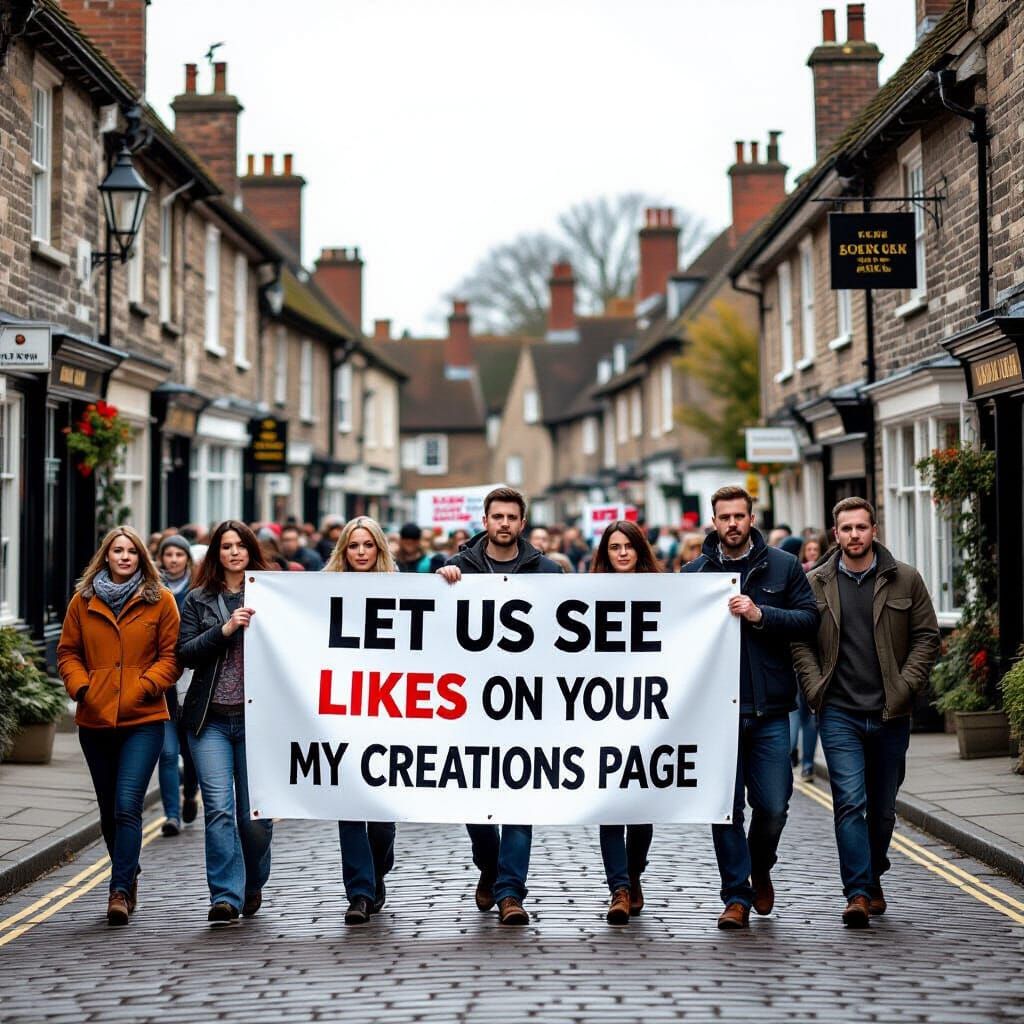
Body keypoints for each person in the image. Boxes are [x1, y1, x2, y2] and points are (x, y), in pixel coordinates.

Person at [792, 497, 939, 927]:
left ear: (874, 529)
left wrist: (907, 685)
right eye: (846, 528)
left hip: (891, 712)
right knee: (850, 803)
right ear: (834, 534)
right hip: (839, 712)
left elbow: (927, 638)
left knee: (884, 809)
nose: (854, 535)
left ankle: (872, 876)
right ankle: (857, 891)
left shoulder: (905, 579)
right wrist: (814, 684)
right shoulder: (816, 582)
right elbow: (801, 640)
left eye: (861, 527)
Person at [682, 486, 818, 929]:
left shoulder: (782, 566)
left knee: (774, 805)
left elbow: (809, 620)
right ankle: (736, 896)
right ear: (713, 520)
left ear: (751, 517)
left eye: (740, 516)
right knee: (723, 808)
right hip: (715, 716)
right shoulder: (694, 572)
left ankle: (760, 865)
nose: (733, 524)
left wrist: (762, 616)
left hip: (770, 709)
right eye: (725, 517)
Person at [437, 486, 560, 925]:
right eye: (497, 517)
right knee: (474, 802)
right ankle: (489, 864)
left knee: (519, 801)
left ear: (522, 523)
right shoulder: (458, 568)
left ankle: (511, 891)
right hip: (469, 709)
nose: (504, 524)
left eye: (512, 517)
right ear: (484, 521)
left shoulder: (548, 572)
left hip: (527, 706)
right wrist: (444, 582)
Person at [57, 526, 181, 926]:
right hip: (94, 719)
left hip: (143, 718)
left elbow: (172, 657)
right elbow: (67, 652)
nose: (124, 557)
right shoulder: (83, 601)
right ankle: (128, 869)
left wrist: (146, 686)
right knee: (109, 809)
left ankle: (120, 890)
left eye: (131, 551)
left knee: (128, 804)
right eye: (117, 551)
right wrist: (81, 687)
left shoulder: (160, 601)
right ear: (105, 557)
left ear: (141, 557)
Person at [177, 520, 274, 926]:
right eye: (226, 546)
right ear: (216, 553)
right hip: (211, 719)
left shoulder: (274, 593)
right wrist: (224, 629)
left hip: (260, 722)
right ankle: (225, 895)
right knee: (218, 809)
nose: (234, 552)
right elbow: (185, 653)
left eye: (240, 545)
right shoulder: (198, 599)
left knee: (255, 820)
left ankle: (253, 882)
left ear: (251, 549)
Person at [323, 516, 399, 925]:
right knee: (350, 806)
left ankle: (376, 872)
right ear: (344, 551)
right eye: (354, 546)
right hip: (342, 717)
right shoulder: (322, 591)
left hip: (388, 717)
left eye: (368, 545)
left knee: (382, 818)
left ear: (379, 549)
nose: (361, 553)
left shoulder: (401, 589)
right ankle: (359, 892)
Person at [590, 519, 660, 925]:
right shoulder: (589, 593)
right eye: (614, 546)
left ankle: (633, 875)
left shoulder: (665, 592)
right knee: (611, 804)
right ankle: (618, 887)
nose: (621, 553)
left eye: (628, 546)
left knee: (642, 805)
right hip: (602, 715)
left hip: (648, 714)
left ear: (639, 550)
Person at [156, 535, 200, 835]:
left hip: (193, 684)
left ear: (187, 559)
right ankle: (171, 815)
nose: (173, 559)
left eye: (178, 554)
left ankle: (189, 794)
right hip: (163, 685)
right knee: (168, 753)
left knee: (192, 754)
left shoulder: (197, 592)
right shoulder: (153, 590)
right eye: (168, 554)